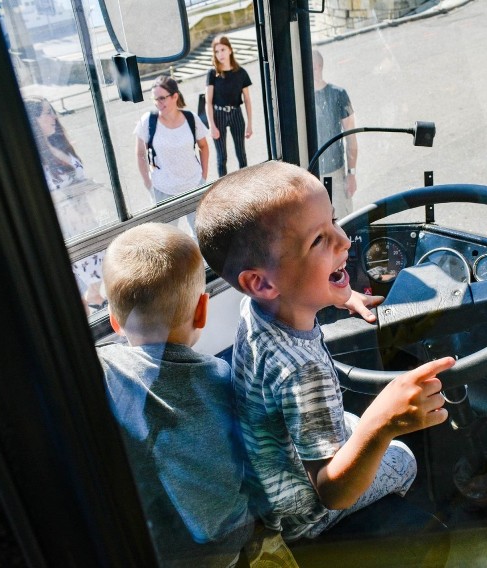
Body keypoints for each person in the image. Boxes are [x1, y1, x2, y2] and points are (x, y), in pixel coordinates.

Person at [195, 161, 455, 542]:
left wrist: (342, 294)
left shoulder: (257, 309)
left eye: (334, 220)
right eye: (319, 240)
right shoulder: (304, 373)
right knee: (403, 457)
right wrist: (381, 422)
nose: (344, 241)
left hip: (271, 478)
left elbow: (296, 293)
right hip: (305, 514)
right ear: (261, 282)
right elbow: (332, 491)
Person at [97, 222, 255, 567]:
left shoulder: (103, 368)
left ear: (113, 322)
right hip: (220, 549)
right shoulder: (222, 378)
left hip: (152, 548)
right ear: (202, 310)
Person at [24, 95, 97, 239]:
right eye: (48, 113)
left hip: (88, 223)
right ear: (34, 120)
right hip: (66, 233)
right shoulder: (33, 160)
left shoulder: (60, 145)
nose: (54, 117)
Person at [135, 76, 209, 214]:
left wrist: (203, 177)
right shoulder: (148, 121)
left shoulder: (191, 118)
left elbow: (203, 146)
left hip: (194, 185)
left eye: (162, 98)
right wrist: (148, 184)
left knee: (200, 234)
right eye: (155, 99)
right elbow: (140, 154)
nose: (158, 103)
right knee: (166, 235)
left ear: (175, 96)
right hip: (163, 190)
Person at [312, 49, 358, 220]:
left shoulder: (338, 94)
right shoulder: (301, 99)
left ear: (317, 67)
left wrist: (351, 173)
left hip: (335, 173)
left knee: (343, 224)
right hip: (310, 175)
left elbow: (351, 137)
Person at [205, 35, 253, 178]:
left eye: (223, 50)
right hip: (218, 115)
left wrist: (250, 124)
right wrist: (211, 125)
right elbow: (208, 101)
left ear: (230, 50)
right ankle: (222, 187)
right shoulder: (212, 73)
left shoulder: (241, 73)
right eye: (217, 51)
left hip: (236, 114)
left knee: (241, 153)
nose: (220, 54)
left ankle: (245, 184)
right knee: (222, 156)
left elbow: (248, 100)